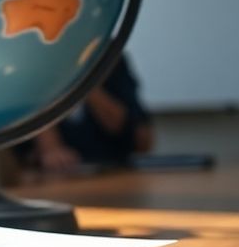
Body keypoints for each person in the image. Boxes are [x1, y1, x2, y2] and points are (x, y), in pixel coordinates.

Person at [20, 54, 154, 174]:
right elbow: (44, 155)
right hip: (52, 179)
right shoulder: (29, 64)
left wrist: (82, 79)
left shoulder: (109, 55)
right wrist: (50, 147)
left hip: (115, 172)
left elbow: (142, 140)